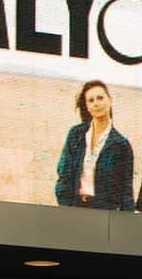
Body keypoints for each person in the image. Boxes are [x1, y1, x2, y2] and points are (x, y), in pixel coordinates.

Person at [55, 80, 134, 211]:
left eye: (100, 98)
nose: (96, 103)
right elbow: (64, 174)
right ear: (86, 106)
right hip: (75, 208)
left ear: (110, 100)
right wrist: (65, 205)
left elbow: (126, 190)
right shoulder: (76, 134)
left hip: (104, 212)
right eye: (91, 100)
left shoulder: (121, 145)